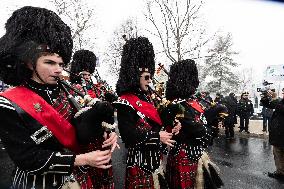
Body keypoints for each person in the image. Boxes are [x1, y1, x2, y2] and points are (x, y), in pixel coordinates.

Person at [0, 6, 118, 189]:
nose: (58, 70)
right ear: (30, 63)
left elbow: (81, 131)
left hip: (79, 179)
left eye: (61, 64)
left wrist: (107, 133)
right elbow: (26, 157)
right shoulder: (8, 102)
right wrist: (82, 159)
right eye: (49, 62)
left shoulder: (68, 92)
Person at [114, 37, 175, 189]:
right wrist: (157, 137)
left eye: (150, 77)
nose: (150, 81)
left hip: (155, 160)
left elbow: (154, 124)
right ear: (136, 76)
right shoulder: (124, 101)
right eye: (146, 78)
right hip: (139, 162)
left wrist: (171, 126)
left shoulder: (148, 98)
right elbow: (128, 137)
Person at [161, 59, 223, 189]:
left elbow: (201, 119)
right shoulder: (176, 105)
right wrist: (209, 130)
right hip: (183, 153)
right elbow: (194, 127)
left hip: (196, 153)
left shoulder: (192, 102)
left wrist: (215, 116)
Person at [260, 88, 284, 181]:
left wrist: (274, 98)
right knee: (278, 153)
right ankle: (280, 171)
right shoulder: (281, 102)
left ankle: (280, 173)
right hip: (279, 134)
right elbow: (268, 105)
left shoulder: (280, 103)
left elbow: (279, 107)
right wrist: (266, 96)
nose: (283, 94)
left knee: (278, 153)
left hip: (281, 134)